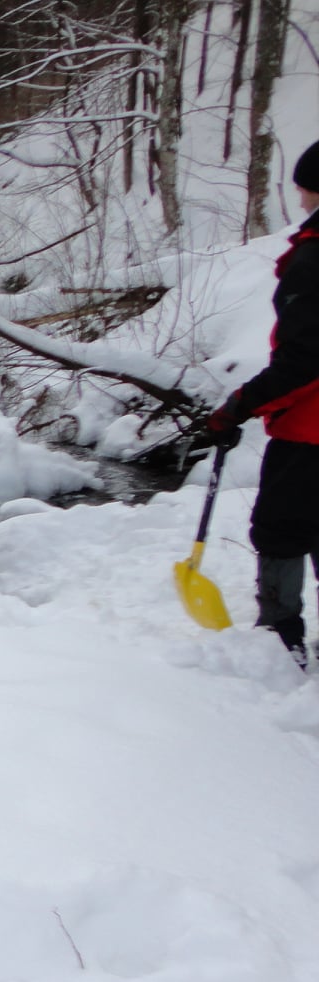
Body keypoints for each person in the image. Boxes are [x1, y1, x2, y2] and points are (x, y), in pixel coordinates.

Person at [195, 139, 319, 666]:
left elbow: (306, 360)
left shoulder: (313, 259)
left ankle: (278, 640)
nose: (298, 194)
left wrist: (239, 406)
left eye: (303, 184)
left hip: (309, 433)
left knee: (281, 528)